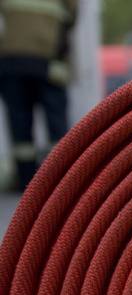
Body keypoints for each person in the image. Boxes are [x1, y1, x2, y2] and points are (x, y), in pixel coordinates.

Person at [0, 0, 76, 192]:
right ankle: (60, 181)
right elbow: (72, 17)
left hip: (13, 61)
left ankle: (26, 182)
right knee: (56, 125)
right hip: (49, 62)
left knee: (20, 126)